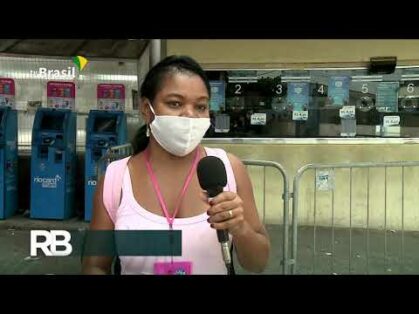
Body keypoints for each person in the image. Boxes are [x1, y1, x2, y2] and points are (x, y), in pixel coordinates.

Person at [82, 55, 270, 275]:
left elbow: (258, 263)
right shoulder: (116, 179)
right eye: (175, 103)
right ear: (146, 108)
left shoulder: (230, 169)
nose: (190, 114)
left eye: (200, 106)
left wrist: (240, 229)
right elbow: (95, 265)